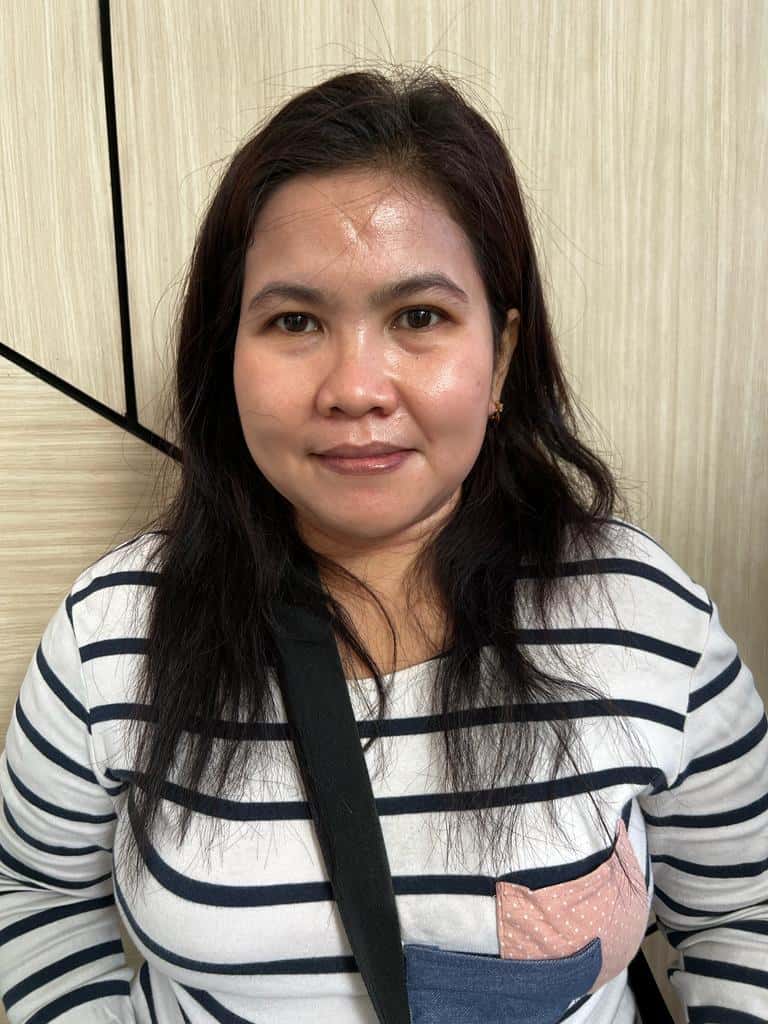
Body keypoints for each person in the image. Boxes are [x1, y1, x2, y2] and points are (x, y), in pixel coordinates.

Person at [0, 65, 766, 1024]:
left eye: (419, 317)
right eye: (294, 321)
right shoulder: (114, 636)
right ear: (226, 353)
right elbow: (32, 896)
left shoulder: (645, 615)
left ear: (502, 356)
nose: (355, 388)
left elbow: (745, 910)